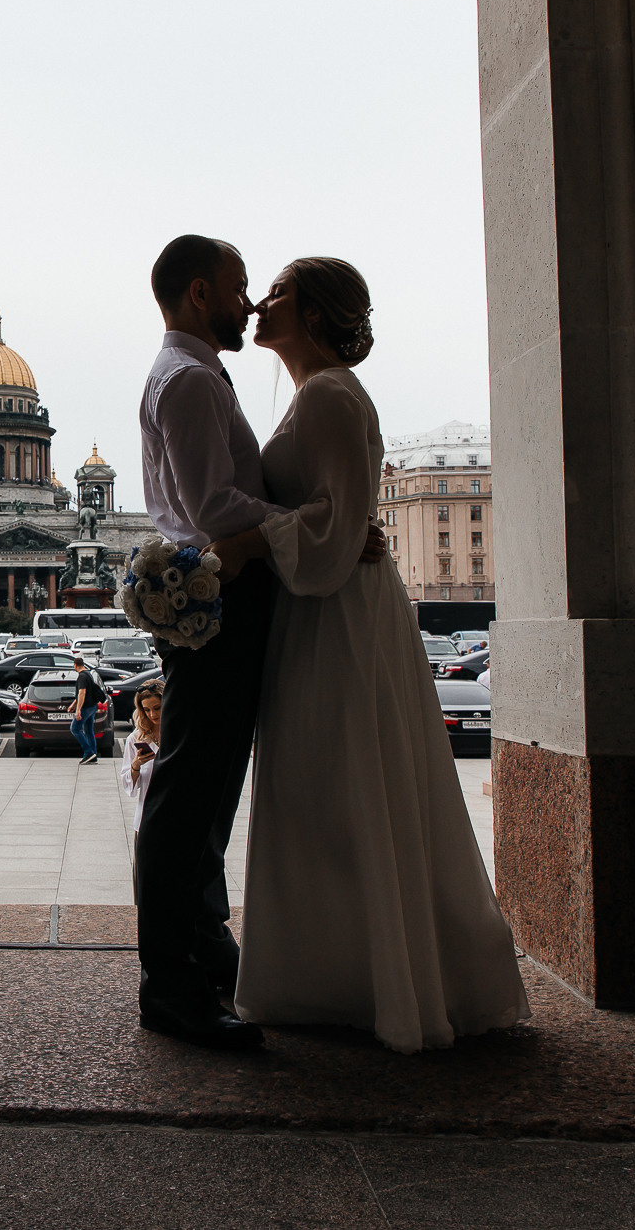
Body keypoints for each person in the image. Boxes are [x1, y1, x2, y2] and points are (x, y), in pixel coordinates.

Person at [208, 257, 530, 1054]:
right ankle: (366, 973)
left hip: (334, 614)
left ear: (315, 315)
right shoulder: (323, 392)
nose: (260, 303)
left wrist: (246, 542)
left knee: (336, 786)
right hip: (334, 605)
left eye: (278, 293)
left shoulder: (327, 394)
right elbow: (342, 518)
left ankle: (350, 980)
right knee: (347, 788)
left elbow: (335, 527)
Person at [134, 235, 388, 1051]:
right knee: (189, 794)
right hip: (219, 599)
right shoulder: (189, 379)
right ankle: (171, 983)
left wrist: (322, 525)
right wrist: (316, 525)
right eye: (239, 286)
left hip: (225, 598)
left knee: (208, 794)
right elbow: (215, 509)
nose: (248, 303)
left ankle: (203, 948)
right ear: (200, 293)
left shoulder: (197, 374)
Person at [118, 680, 164, 837]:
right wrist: (136, 765)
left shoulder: (179, 735)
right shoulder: (136, 739)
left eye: (157, 708)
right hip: (146, 820)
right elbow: (128, 785)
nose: (152, 715)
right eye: (146, 710)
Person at [68, 656, 105, 764]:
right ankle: (93, 755)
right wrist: (73, 704)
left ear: (75, 665)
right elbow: (85, 692)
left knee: (74, 728)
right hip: (92, 706)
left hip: (85, 707)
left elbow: (82, 693)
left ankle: (88, 752)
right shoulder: (89, 674)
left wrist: (78, 710)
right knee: (88, 731)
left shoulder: (81, 677)